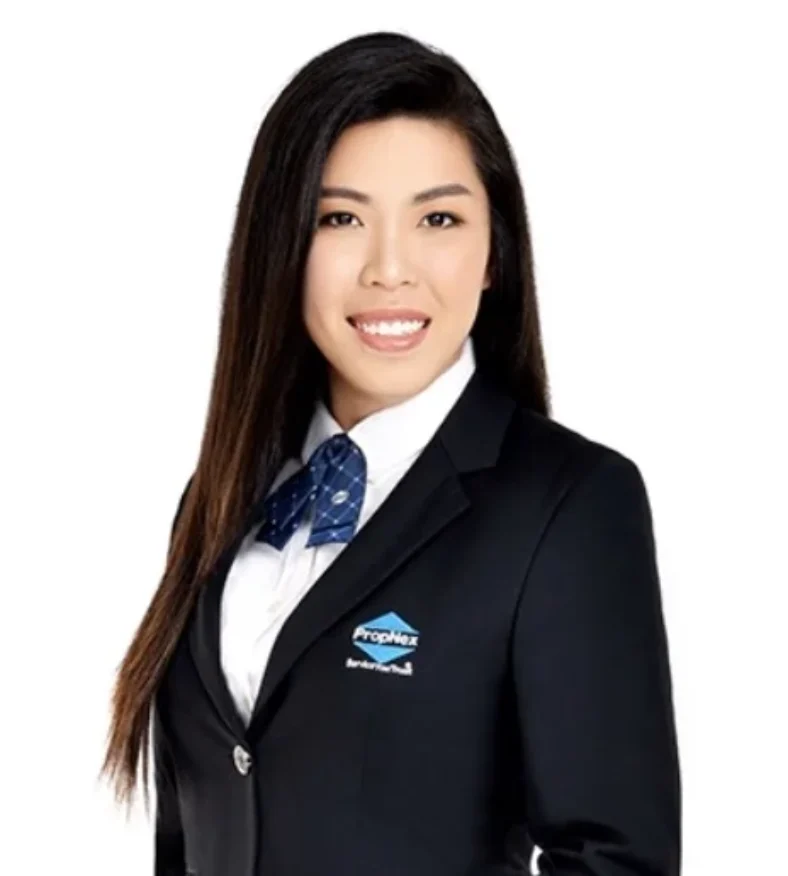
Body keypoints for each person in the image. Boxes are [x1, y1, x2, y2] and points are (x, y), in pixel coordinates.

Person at [100, 30, 681, 876]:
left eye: (438, 219)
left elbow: (613, 859)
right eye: (340, 218)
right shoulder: (223, 493)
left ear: (495, 252)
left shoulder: (569, 504)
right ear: (282, 247)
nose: (389, 269)